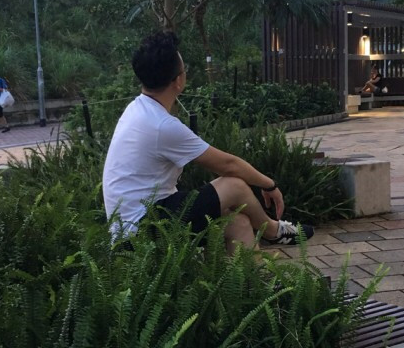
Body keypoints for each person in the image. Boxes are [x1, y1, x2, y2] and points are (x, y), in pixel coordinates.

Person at [102, 32, 314, 253]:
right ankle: (272, 230)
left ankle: (254, 275)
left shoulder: (137, 109)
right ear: (178, 81)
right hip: (142, 230)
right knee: (234, 185)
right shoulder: (160, 125)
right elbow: (228, 165)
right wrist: (269, 185)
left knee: (239, 223)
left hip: (139, 224)